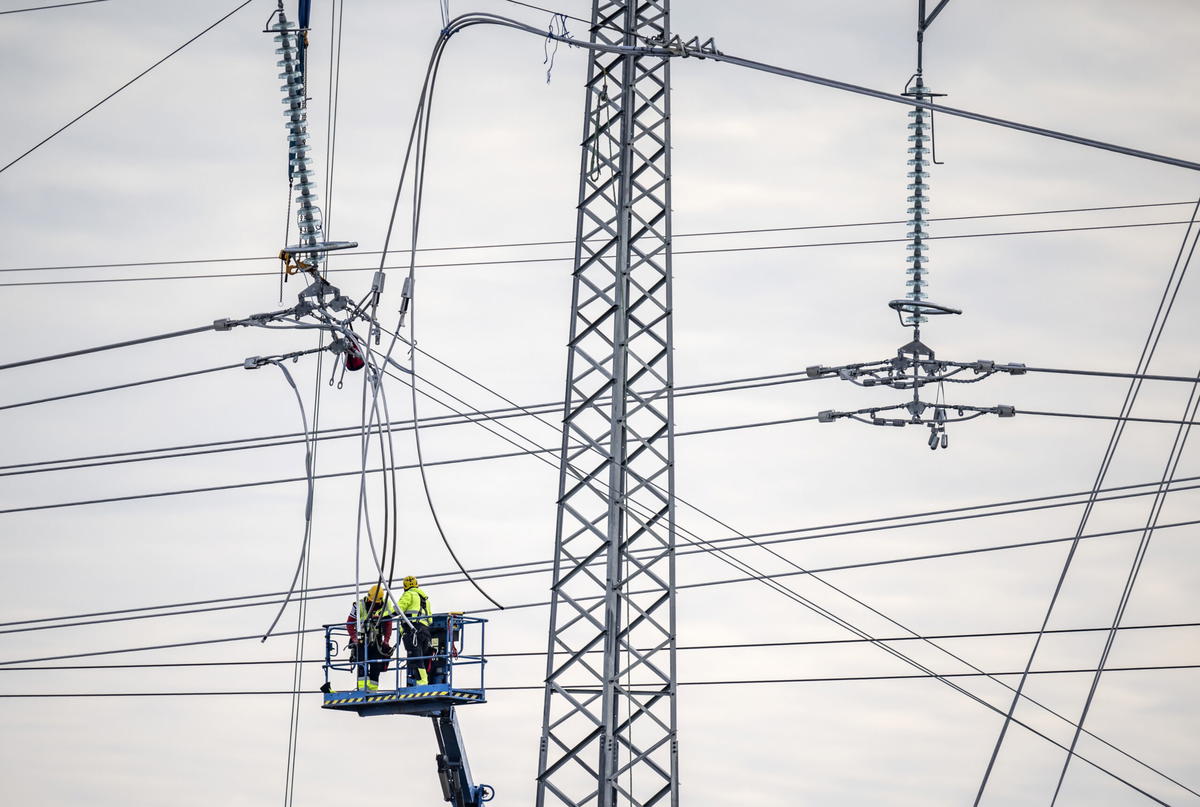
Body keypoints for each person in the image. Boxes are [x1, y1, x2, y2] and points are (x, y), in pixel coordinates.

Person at [346, 584, 396, 691]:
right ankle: (362, 690)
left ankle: (373, 690)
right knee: (361, 664)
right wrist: (354, 638)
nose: (374, 606)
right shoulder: (359, 605)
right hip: (362, 640)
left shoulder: (386, 604)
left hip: (377, 640)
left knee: (376, 666)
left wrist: (386, 640)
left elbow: (388, 624)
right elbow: (349, 624)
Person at [397, 575, 433, 686]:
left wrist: (382, 616)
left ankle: (422, 683)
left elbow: (397, 610)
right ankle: (423, 681)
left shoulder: (408, 594)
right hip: (425, 632)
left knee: (415, 657)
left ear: (404, 586)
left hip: (413, 631)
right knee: (422, 656)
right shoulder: (425, 600)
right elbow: (430, 619)